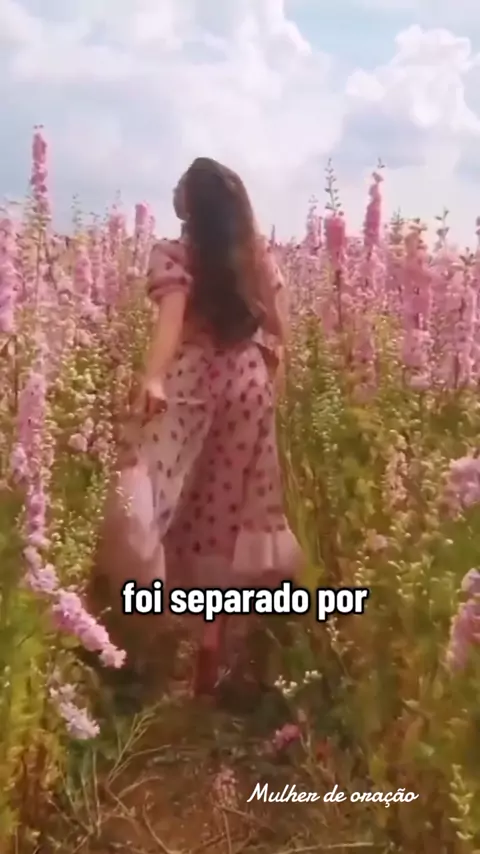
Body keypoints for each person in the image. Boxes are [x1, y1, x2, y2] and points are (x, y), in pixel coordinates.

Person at [99, 157, 303, 701]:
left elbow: (170, 324)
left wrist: (153, 376)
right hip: (248, 388)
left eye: (181, 186)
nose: (173, 191)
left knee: (152, 493)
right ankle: (209, 649)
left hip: (191, 386)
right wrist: (268, 379)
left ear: (193, 204)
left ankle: (145, 625)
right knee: (221, 519)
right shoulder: (255, 256)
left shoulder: (174, 254)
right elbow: (278, 329)